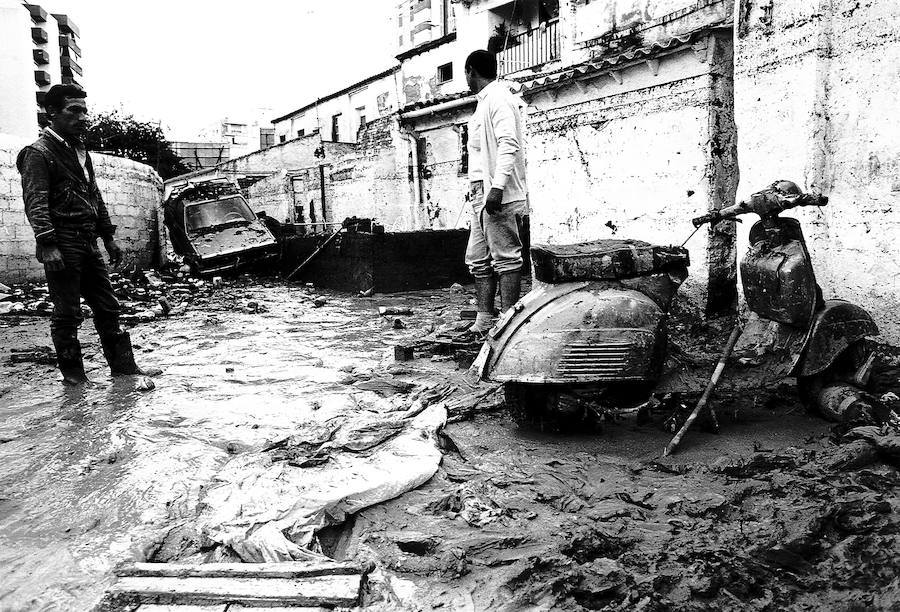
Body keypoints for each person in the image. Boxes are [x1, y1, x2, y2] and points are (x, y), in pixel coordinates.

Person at [17, 84, 160, 384]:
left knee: (109, 306)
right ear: (52, 113)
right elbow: (36, 202)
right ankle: (75, 380)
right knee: (67, 313)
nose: (83, 117)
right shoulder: (37, 153)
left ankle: (124, 369)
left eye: (85, 110)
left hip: (88, 241)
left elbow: (94, 196)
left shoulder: (80, 151)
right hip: (63, 240)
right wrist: (48, 244)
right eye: (74, 110)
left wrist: (108, 236)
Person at [461, 49, 528, 340]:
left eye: (465, 73)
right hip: (480, 193)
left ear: (470, 71)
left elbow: (508, 144)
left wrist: (497, 187)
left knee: (506, 258)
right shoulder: (483, 103)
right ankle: (485, 318)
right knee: (477, 257)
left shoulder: (499, 98)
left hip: (496, 194)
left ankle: (509, 321)